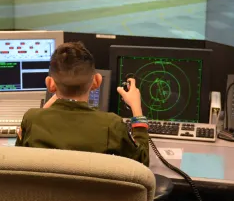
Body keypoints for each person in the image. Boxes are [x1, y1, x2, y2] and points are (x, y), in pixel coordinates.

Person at [16, 41, 149, 166]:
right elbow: (141, 163)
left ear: (50, 84)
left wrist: (55, 92)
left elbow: (18, 160)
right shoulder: (112, 125)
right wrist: (136, 108)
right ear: (97, 81)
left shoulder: (31, 119)